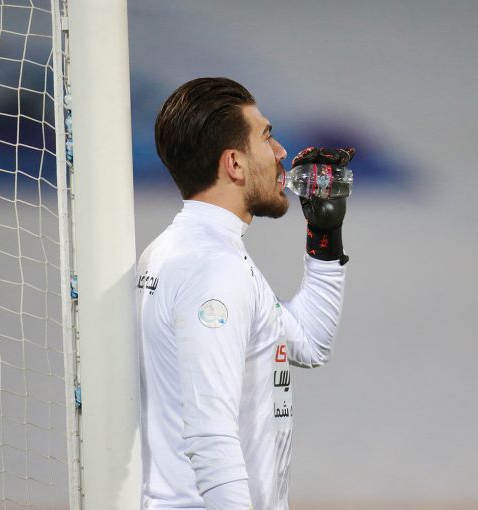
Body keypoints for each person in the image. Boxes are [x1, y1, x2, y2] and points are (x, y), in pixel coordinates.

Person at [137, 77, 353, 510]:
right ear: (234, 164)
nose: (281, 153)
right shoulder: (213, 269)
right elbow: (210, 435)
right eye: (267, 137)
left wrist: (324, 236)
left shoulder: (185, 250)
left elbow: (309, 342)